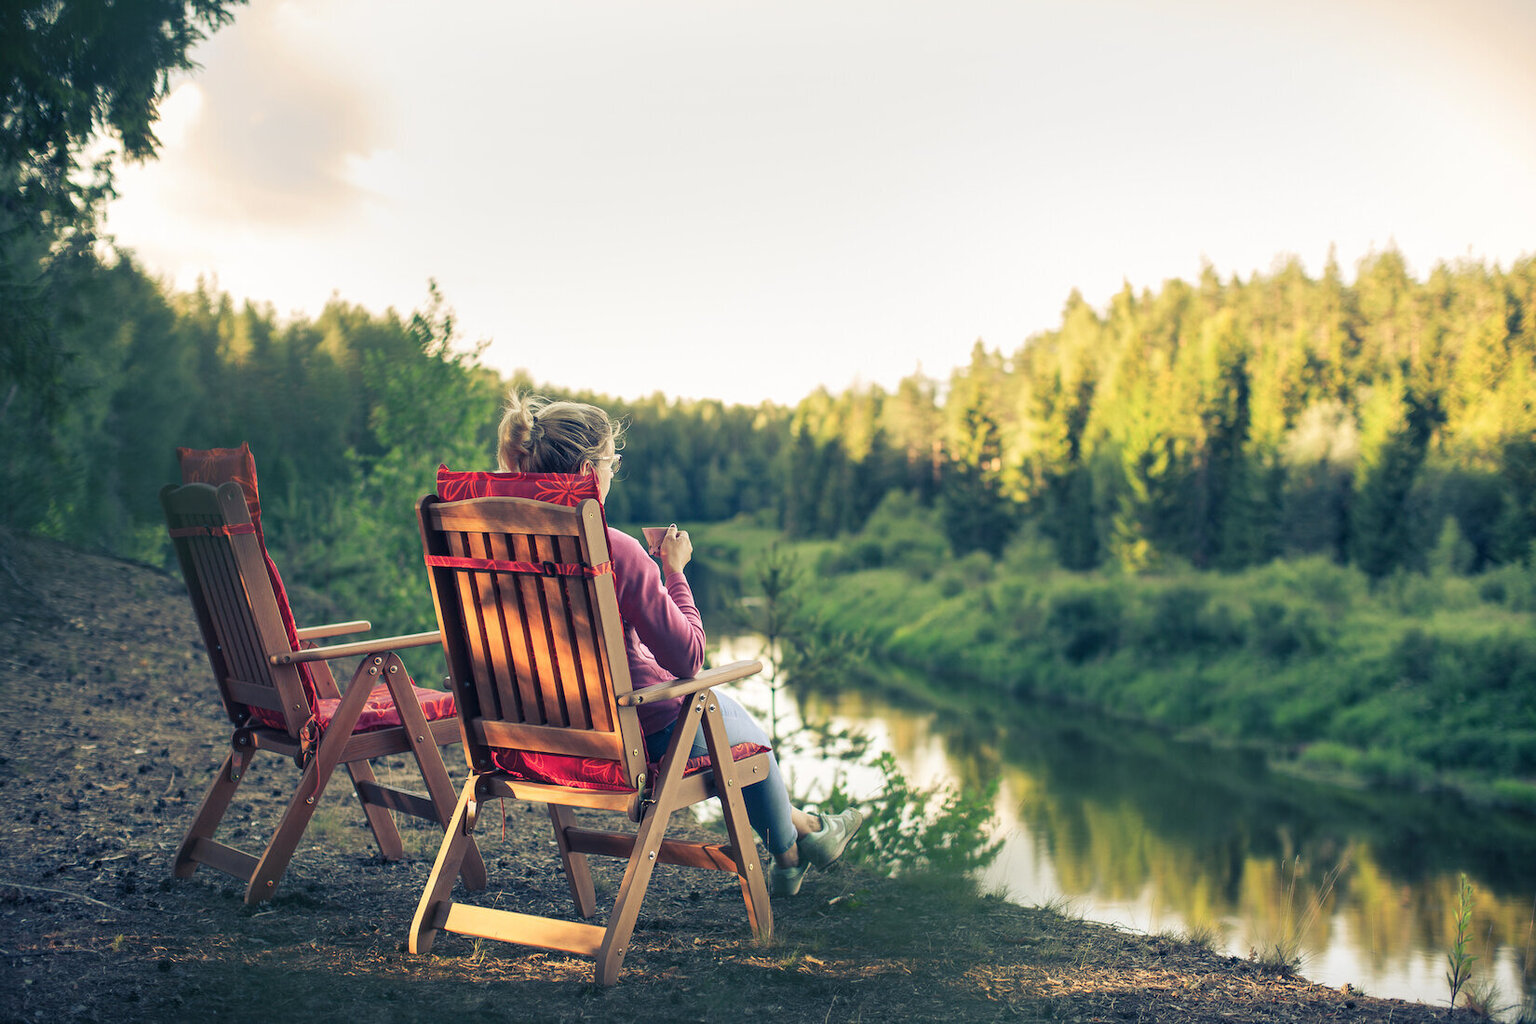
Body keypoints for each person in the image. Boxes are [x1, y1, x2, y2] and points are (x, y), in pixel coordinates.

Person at [497, 391, 861, 896]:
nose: (611, 472)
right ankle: (796, 846)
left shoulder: (496, 544)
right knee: (736, 728)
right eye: (610, 462)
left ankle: (803, 838)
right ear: (586, 468)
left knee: (727, 727)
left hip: (537, 737)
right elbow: (688, 657)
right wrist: (673, 571)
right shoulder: (613, 548)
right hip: (635, 732)